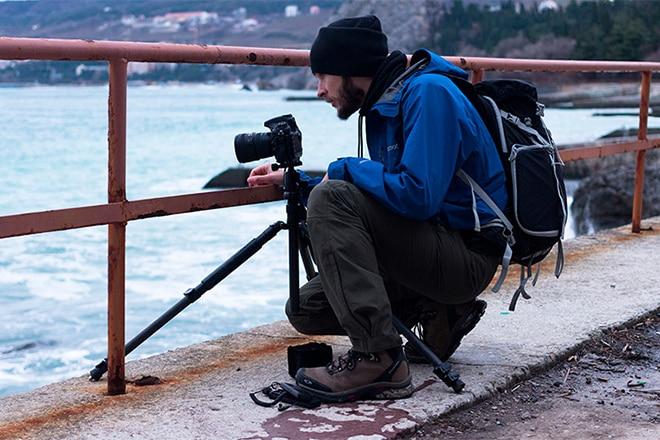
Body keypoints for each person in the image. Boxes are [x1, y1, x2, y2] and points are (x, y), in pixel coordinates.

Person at [247, 15, 507, 402]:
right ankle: (440, 312)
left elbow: (417, 196)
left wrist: (342, 170)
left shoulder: (429, 94)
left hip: (466, 254)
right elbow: (383, 194)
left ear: (351, 70)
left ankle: (379, 358)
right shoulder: (385, 103)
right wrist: (294, 184)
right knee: (306, 310)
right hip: (432, 247)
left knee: (332, 196)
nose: (319, 90)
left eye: (323, 77)